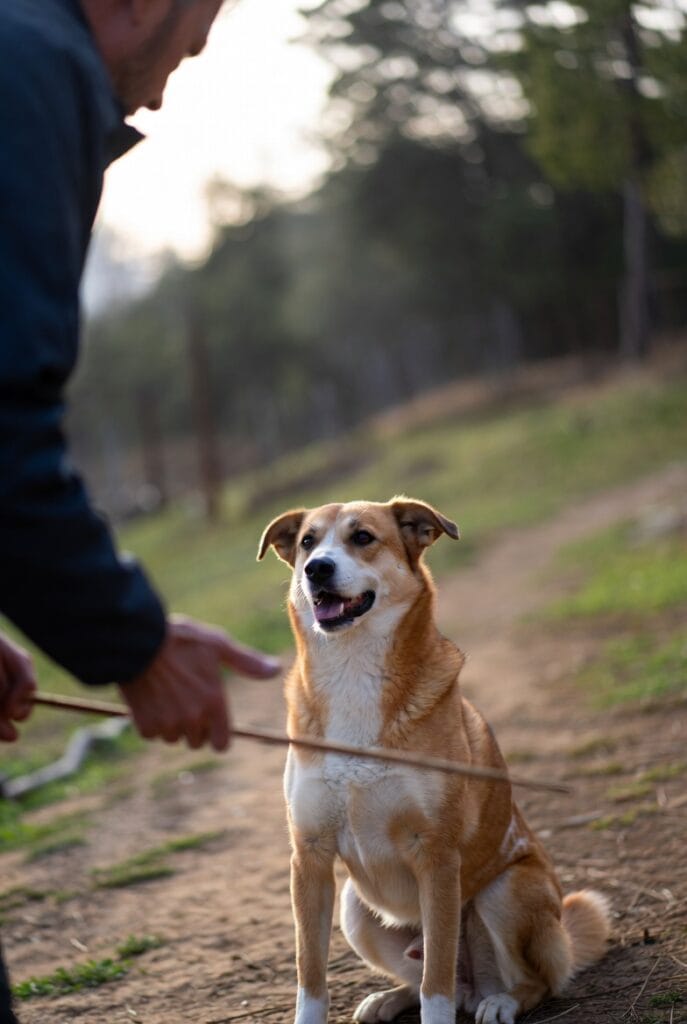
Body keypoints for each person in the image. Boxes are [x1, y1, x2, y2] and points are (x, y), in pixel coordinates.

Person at [0, 1, 281, 1019]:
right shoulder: (33, 60)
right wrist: (132, 641)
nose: (162, 92)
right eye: (185, 48)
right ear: (132, 5)